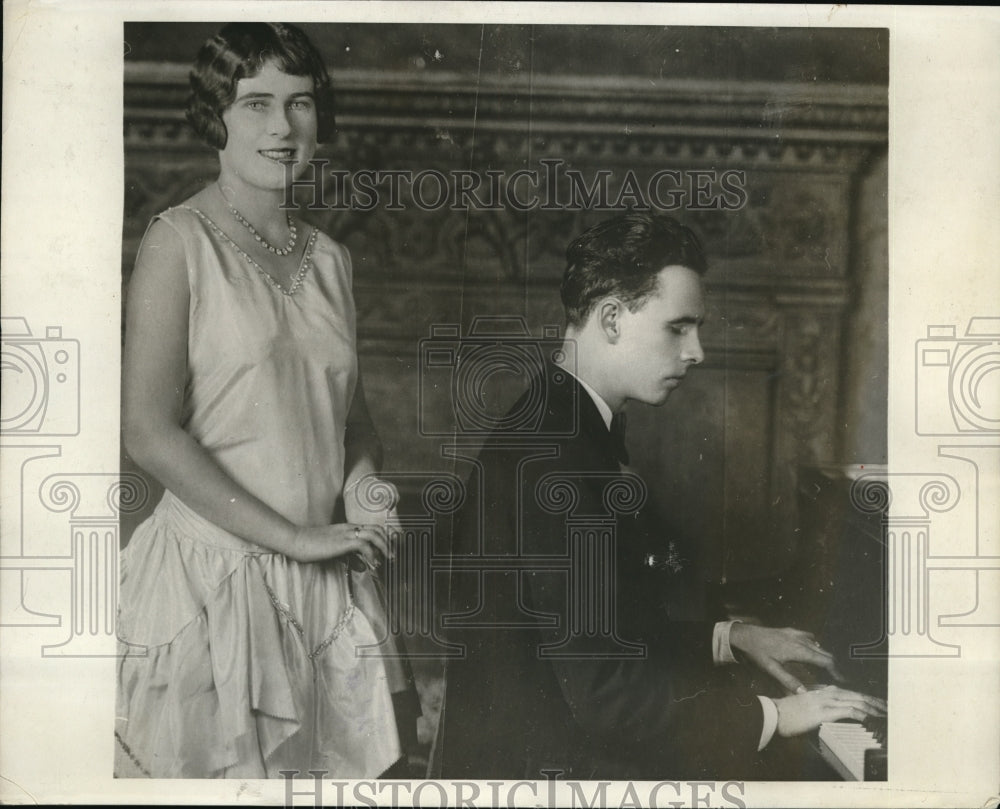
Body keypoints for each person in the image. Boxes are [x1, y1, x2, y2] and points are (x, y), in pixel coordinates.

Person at [438, 212, 886, 780]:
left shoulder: (560, 422)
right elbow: (609, 699)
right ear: (611, 319)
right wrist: (775, 713)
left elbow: (604, 633)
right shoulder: (556, 461)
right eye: (678, 328)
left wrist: (732, 636)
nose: (697, 352)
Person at [115, 23, 415, 778]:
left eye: (301, 103)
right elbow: (148, 431)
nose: (283, 127)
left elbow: (349, 419)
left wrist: (366, 492)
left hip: (321, 580)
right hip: (210, 585)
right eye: (256, 104)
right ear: (216, 117)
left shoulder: (332, 261)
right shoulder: (176, 241)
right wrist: (300, 536)